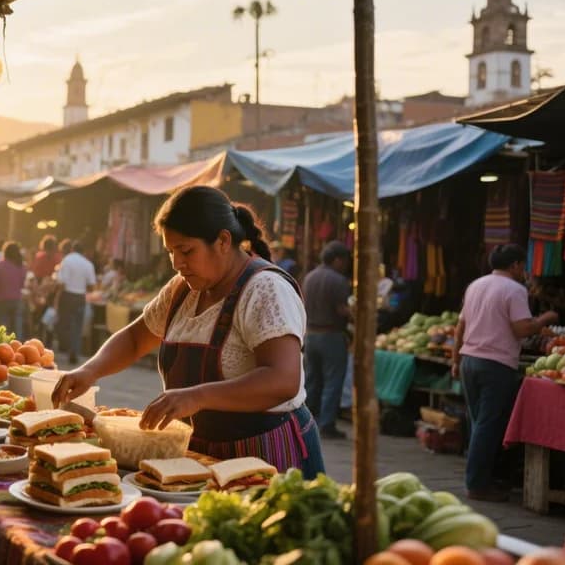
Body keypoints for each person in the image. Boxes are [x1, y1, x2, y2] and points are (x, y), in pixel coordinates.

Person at [52, 186, 324, 476]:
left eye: (186, 250)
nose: (177, 263)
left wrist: (197, 396)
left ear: (222, 240)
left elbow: (282, 380)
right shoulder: (182, 290)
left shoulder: (266, 289)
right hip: (204, 453)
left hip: (270, 455)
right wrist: (89, 371)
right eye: (171, 251)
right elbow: (134, 339)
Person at [452, 244, 557, 502]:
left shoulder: (475, 285)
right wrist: (545, 318)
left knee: (479, 424)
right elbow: (522, 329)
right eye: (523, 265)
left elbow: (460, 326)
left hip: (470, 360)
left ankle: (485, 478)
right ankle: (477, 484)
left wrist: (455, 360)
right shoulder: (514, 289)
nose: (524, 271)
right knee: (488, 426)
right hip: (495, 365)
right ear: (515, 265)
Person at [301, 241, 352, 440]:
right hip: (331, 335)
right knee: (332, 381)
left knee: (313, 380)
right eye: (345, 260)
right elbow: (341, 309)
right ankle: (327, 424)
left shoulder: (310, 277)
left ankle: (309, 420)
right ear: (338, 260)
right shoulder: (338, 280)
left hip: (311, 335)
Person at [56, 241, 97, 365]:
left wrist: (57, 298)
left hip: (67, 296)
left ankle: (65, 347)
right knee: (77, 327)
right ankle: (74, 351)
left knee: (65, 323)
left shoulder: (66, 260)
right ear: (83, 251)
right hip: (80, 298)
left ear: (72, 250)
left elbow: (61, 283)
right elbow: (91, 287)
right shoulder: (88, 264)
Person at [0, 242, 26, 338]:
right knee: (16, 328)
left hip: (1, 300)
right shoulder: (21, 266)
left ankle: (2, 349)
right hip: (17, 300)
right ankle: (17, 349)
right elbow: (22, 284)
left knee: (1, 329)